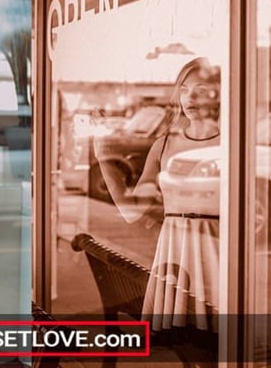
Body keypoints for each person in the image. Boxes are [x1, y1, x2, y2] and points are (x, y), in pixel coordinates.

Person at [95, 57, 221, 346]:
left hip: (218, 251)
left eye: (200, 89)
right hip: (176, 252)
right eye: (185, 89)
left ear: (217, 95)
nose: (190, 97)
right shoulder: (164, 144)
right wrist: (102, 156)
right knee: (188, 343)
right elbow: (131, 210)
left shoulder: (232, 142)